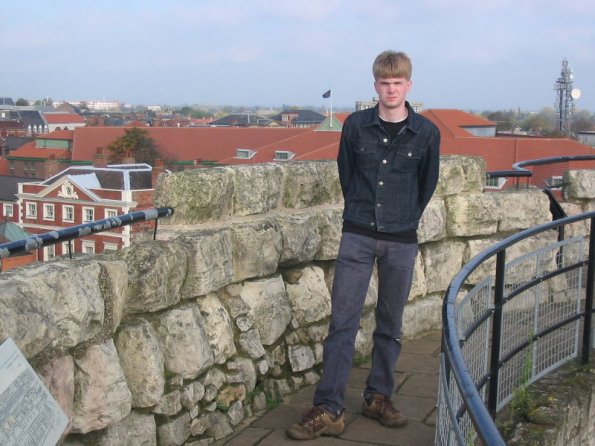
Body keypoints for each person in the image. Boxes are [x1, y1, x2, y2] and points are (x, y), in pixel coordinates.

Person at [286, 50, 440, 440]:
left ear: (408, 85)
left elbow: (426, 185)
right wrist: (361, 214)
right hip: (357, 233)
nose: (391, 89)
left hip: (401, 238)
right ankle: (329, 408)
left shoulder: (426, 133)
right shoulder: (355, 126)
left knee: (390, 324)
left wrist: (402, 219)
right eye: (384, 83)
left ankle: (378, 397)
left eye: (397, 83)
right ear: (376, 86)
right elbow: (347, 174)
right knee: (342, 322)